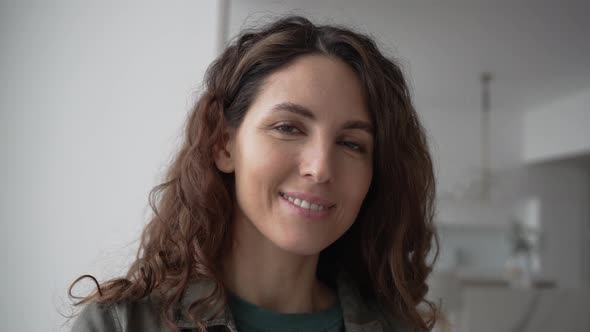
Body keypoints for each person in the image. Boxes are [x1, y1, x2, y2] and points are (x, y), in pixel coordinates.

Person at [68, 15, 439, 332]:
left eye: (352, 144)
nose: (321, 167)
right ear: (223, 144)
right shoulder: (120, 324)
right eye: (288, 128)